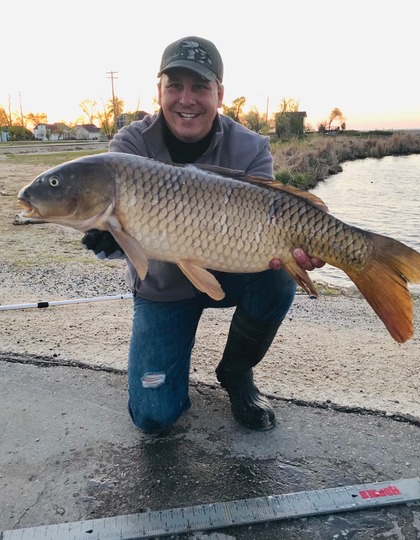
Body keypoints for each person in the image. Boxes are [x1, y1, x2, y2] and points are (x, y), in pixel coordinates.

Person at [82, 36, 324, 433]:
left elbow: (273, 224)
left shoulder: (251, 148)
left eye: (199, 86)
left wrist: (303, 249)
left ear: (219, 94)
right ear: (159, 90)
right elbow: (118, 238)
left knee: (281, 274)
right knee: (153, 417)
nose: (186, 99)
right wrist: (107, 240)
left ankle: (236, 371)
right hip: (163, 286)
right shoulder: (129, 147)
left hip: (232, 272)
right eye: (175, 85)